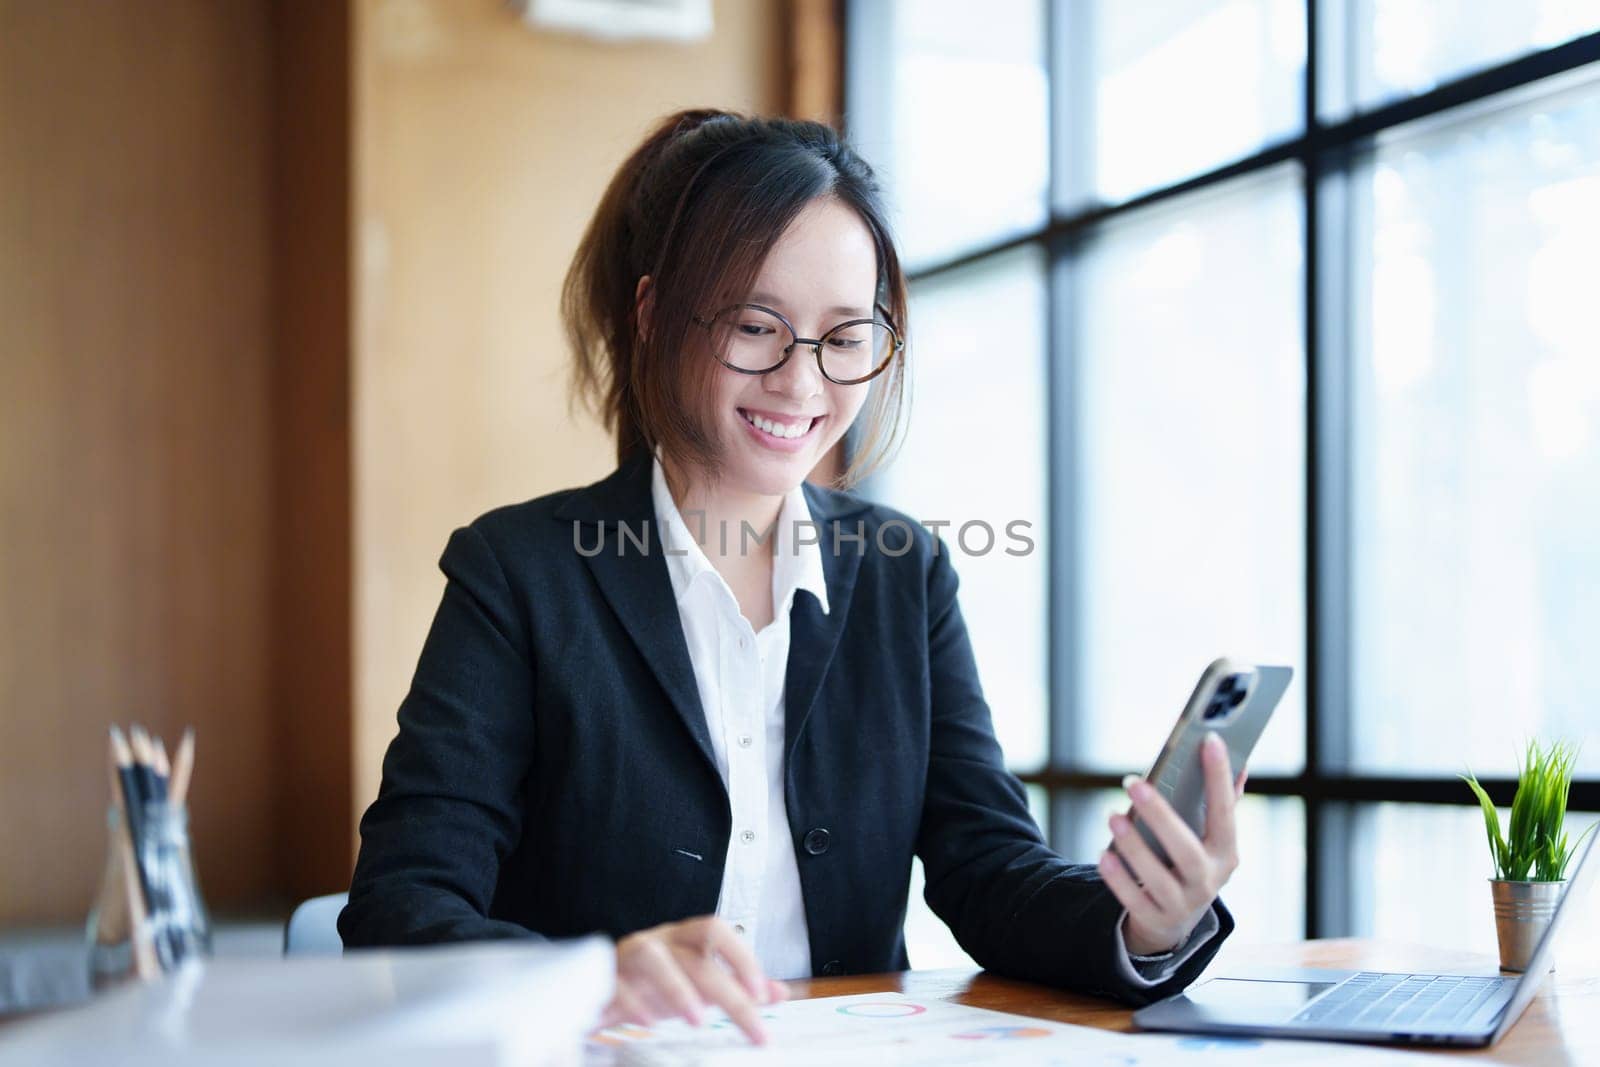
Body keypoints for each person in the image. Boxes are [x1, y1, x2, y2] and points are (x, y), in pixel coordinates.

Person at [338, 109, 1247, 1045]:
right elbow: (402, 905)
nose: (803, 381)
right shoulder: (520, 572)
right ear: (653, 317)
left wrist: (1144, 920)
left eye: (845, 336)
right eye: (755, 325)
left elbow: (989, 867)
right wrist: (587, 979)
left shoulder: (905, 574)